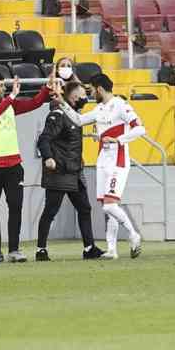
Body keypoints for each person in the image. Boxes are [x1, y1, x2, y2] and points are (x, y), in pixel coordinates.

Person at [54, 73, 146, 260]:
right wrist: (62, 103)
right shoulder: (99, 109)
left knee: (109, 206)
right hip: (103, 160)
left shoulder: (121, 105)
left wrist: (119, 139)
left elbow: (140, 128)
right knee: (107, 205)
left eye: (92, 89)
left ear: (100, 89)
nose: (90, 93)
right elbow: (79, 121)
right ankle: (111, 249)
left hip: (118, 160)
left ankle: (133, 234)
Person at [0, 73, 53, 264]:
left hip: (13, 166)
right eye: (1, 85)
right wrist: (10, 99)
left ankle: (14, 250)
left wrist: (46, 88)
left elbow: (34, 103)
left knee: (15, 207)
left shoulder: (9, 104)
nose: (5, 89)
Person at [35, 81, 105, 261]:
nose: (85, 98)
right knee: (50, 211)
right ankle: (41, 249)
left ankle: (89, 248)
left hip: (74, 172)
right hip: (59, 171)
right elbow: (44, 139)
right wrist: (48, 158)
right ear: (73, 97)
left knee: (84, 209)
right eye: (82, 95)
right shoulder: (58, 115)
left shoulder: (74, 115)